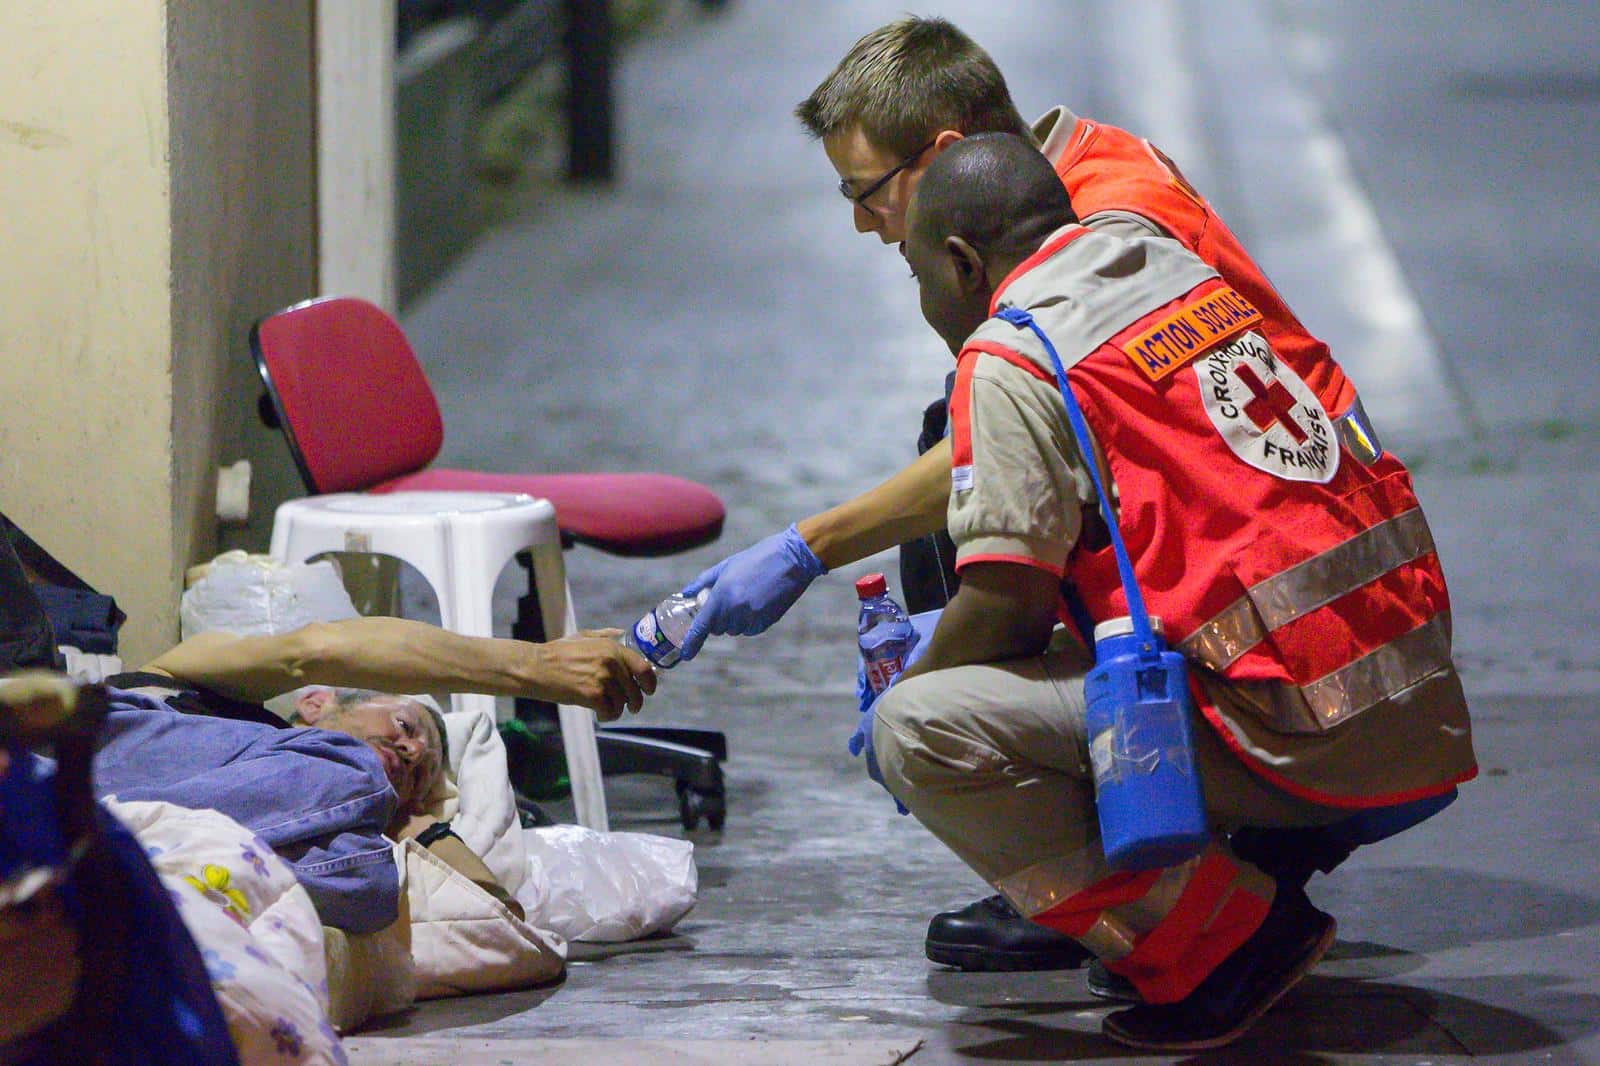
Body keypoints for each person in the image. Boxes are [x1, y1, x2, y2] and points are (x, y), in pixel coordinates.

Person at [675, 15, 1391, 978]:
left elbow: (1012, 479)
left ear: (945, 158)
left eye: (865, 192)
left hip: (1300, 658)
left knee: (946, 659)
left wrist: (827, 565)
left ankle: (1139, 870)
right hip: (1345, 629)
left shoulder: (1101, 233)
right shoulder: (1087, 173)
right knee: (961, 447)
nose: (864, 223)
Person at [864, 131, 1475, 1051]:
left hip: (1305, 742)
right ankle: (1257, 869)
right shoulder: (1170, 264)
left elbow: (1004, 605)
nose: (922, 301)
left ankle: (1227, 945)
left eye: (918, 275)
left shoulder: (1014, 353)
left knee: (922, 730)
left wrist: (903, 689)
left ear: (961, 262)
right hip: (1417, 707)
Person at [88, 615, 656, 932]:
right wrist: (536, 664)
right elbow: (311, 650)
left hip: (171, 847)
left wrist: (408, 818)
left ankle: (115, 872)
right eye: (406, 726)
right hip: (83, 760)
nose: (412, 749)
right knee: (355, 778)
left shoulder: (349, 821)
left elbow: (495, 921)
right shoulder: (188, 685)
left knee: (374, 888)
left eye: (420, 770)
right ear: (316, 703)